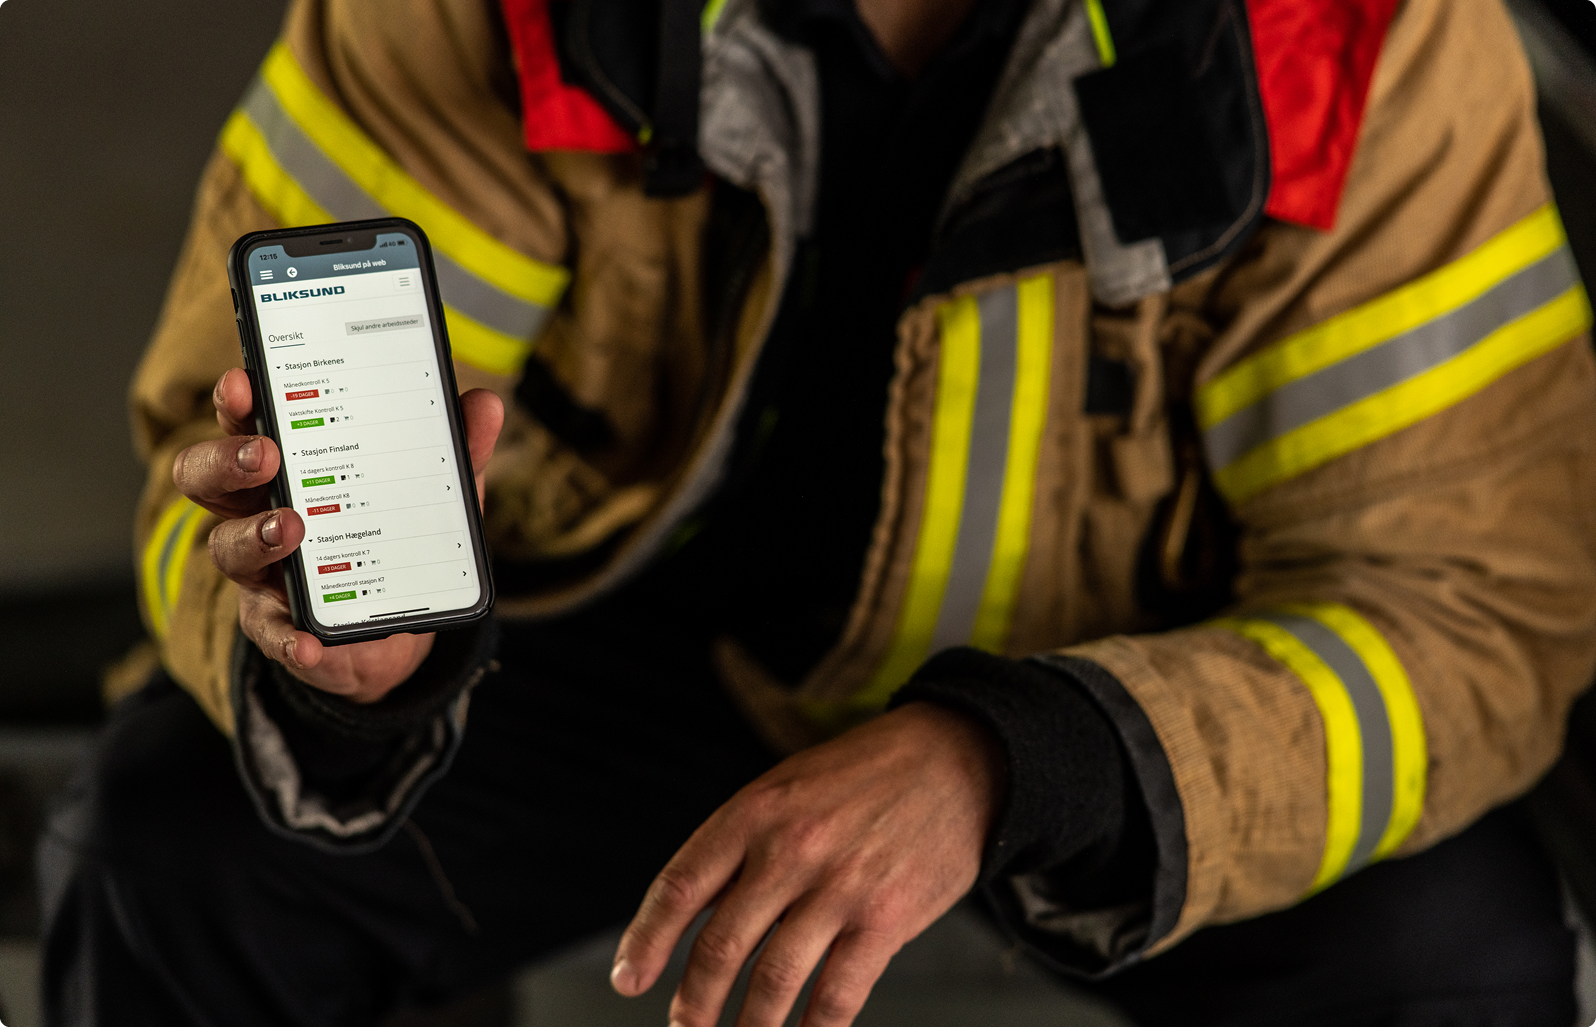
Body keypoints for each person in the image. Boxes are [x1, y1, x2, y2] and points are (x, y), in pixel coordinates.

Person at [39, 0, 1596, 1022]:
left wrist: (1016, 758)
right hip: (626, 650)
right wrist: (348, 667)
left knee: (1460, 962)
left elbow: (1466, 614)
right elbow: (232, 437)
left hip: (1124, 718)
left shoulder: (1359, 43)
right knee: (183, 837)